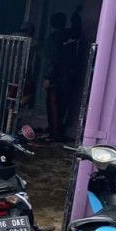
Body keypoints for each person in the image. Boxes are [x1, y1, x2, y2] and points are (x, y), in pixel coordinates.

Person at [43, 12, 77, 141]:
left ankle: (54, 133)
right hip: (69, 76)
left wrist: (48, 77)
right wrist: (75, 15)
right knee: (62, 106)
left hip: (56, 78)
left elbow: (53, 59)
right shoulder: (71, 35)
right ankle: (57, 130)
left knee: (53, 106)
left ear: (52, 24)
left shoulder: (53, 38)